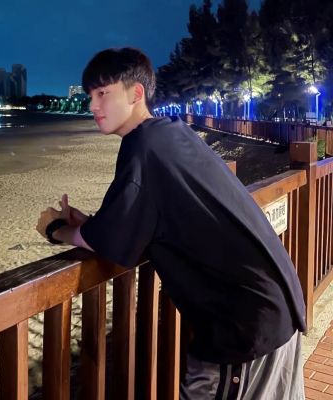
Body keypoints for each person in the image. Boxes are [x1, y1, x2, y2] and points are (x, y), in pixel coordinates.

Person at [36, 47, 306, 399]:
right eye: (90, 95)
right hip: (272, 304)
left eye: (102, 93)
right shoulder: (171, 133)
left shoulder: (143, 146)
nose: (92, 105)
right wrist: (88, 223)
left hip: (243, 327)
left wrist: (56, 230)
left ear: (136, 93)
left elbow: (111, 241)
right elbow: (140, 218)